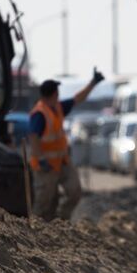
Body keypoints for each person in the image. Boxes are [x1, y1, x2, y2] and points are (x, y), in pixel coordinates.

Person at [28, 68, 105, 221]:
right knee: (45, 203)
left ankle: (62, 221)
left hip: (62, 162)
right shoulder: (39, 114)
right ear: (53, 94)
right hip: (45, 167)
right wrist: (41, 158)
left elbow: (78, 98)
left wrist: (93, 83)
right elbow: (33, 136)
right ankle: (37, 230)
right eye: (57, 92)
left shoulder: (57, 108)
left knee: (75, 192)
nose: (59, 94)